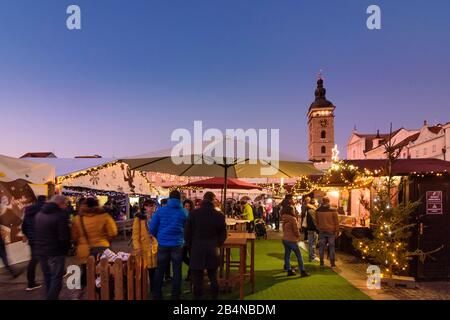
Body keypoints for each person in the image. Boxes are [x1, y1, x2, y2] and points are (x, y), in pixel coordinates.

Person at [185, 192, 227, 300]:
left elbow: (187, 232)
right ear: (213, 200)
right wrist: (217, 243)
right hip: (212, 248)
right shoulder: (219, 215)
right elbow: (223, 234)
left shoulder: (194, 213)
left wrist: (190, 245)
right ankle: (214, 297)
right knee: (213, 276)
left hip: (197, 248)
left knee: (197, 278)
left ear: (203, 199)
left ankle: (198, 298)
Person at [71, 197, 118, 288]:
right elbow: (113, 232)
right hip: (102, 249)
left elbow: (74, 236)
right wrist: (106, 240)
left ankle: (86, 292)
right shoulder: (104, 216)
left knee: (87, 273)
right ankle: (100, 292)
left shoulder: (77, 219)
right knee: (103, 274)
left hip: (84, 251)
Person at [149, 190, 188, 300]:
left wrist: (159, 237)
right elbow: (187, 229)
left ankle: (157, 294)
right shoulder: (184, 212)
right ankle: (176, 295)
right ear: (180, 199)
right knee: (177, 270)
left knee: (160, 270)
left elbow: (152, 228)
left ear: (169, 198)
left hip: (163, 243)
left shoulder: (160, 211)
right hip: (178, 244)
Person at [34, 195, 71, 300]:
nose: (66, 206)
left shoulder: (39, 214)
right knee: (56, 277)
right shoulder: (60, 215)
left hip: (41, 251)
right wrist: (65, 250)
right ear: (61, 203)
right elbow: (64, 237)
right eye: (65, 204)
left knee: (47, 276)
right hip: (55, 251)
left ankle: (49, 295)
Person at [132, 199, 158, 293]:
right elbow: (135, 234)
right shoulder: (139, 218)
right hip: (143, 248)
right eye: (150, 206)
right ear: (145, 207)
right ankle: (141, 290)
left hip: (154, 247)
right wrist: (137, 247)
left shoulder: (156, 217)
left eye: (153, 206)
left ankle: (154, 290)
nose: (152, 208)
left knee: (153, 270)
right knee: (142, 270)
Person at [22, 195, 47, 291]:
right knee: (43, 258)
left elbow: (24, 227)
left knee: (35, 260)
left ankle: (31, 282)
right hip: (42, 238)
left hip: (33, 240)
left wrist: (29, 237)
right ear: (45, 200)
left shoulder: (28, 212)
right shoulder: (44, 210)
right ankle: (32, 283)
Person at [281, 205, 309, 277]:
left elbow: (283, 228)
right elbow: (296, 230)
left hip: (285, 239)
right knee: (299, 255)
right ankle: (302, 271)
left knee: (287, 255)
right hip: (292, 239)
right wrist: (298, 236)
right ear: (291, 210)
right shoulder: (293, 219)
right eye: (293, 209)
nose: (294, 210)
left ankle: (289, 270)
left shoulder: (284, 218)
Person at [316, 197, 339, 268]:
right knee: (331, 247)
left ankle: (321, 263)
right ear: (329, 202)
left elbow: (316, 222)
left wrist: (319, 228)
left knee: (321, 247)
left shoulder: (318, 210)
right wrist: (337, 231)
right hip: (331, 231)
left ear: (322, 201)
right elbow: (336, 222)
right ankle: (332, 264)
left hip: (322, 231)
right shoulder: (333, 210)